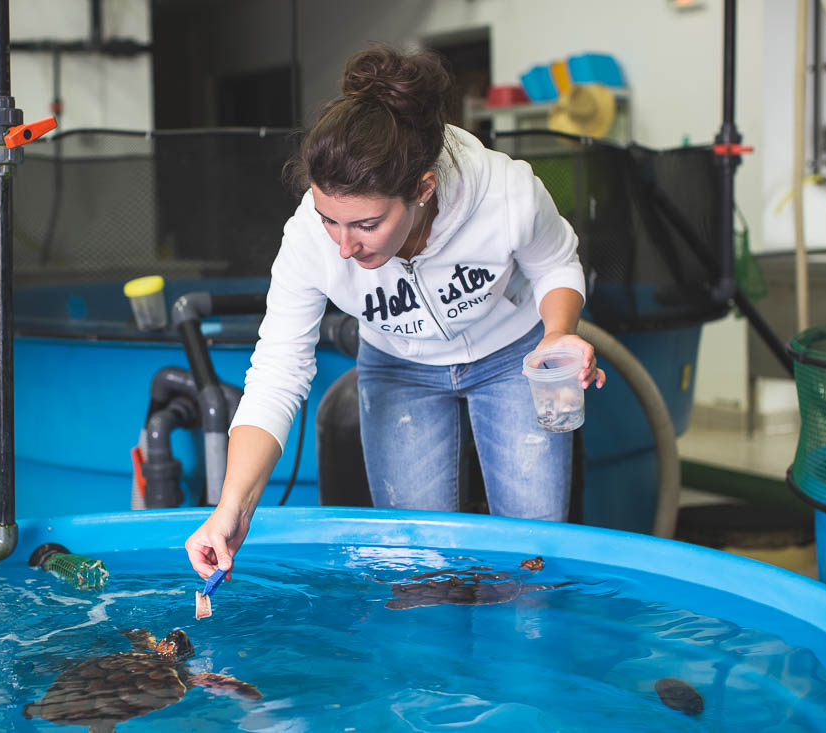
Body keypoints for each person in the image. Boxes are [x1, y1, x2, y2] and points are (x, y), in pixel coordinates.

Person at [185, 44, 605, 582]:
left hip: (512, 357)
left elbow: (556, 263)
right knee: (413, 567)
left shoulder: (505, 192)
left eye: (365, 224)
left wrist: (558, 333)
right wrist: (232, 509)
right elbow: (276, 373)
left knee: (532, 558)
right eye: (328, 219)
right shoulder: (307, 242)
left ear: (422, 189)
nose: (343, 246)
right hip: (399, 368)